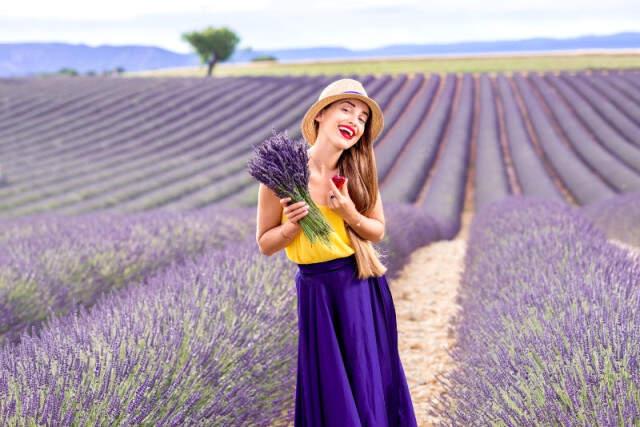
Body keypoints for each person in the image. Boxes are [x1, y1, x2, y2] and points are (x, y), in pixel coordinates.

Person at [256, 78, 418, 426]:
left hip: (358, 283)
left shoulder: (358, 171)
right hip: (316, 289)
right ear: (321, 116)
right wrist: (291, 228)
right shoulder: (281, 174)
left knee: (366, 380)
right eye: (346, 110)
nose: (355, 122)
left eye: (362, 117)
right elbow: (265, 243)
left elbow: (377, 230)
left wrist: (348, 213)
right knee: (330, 383)